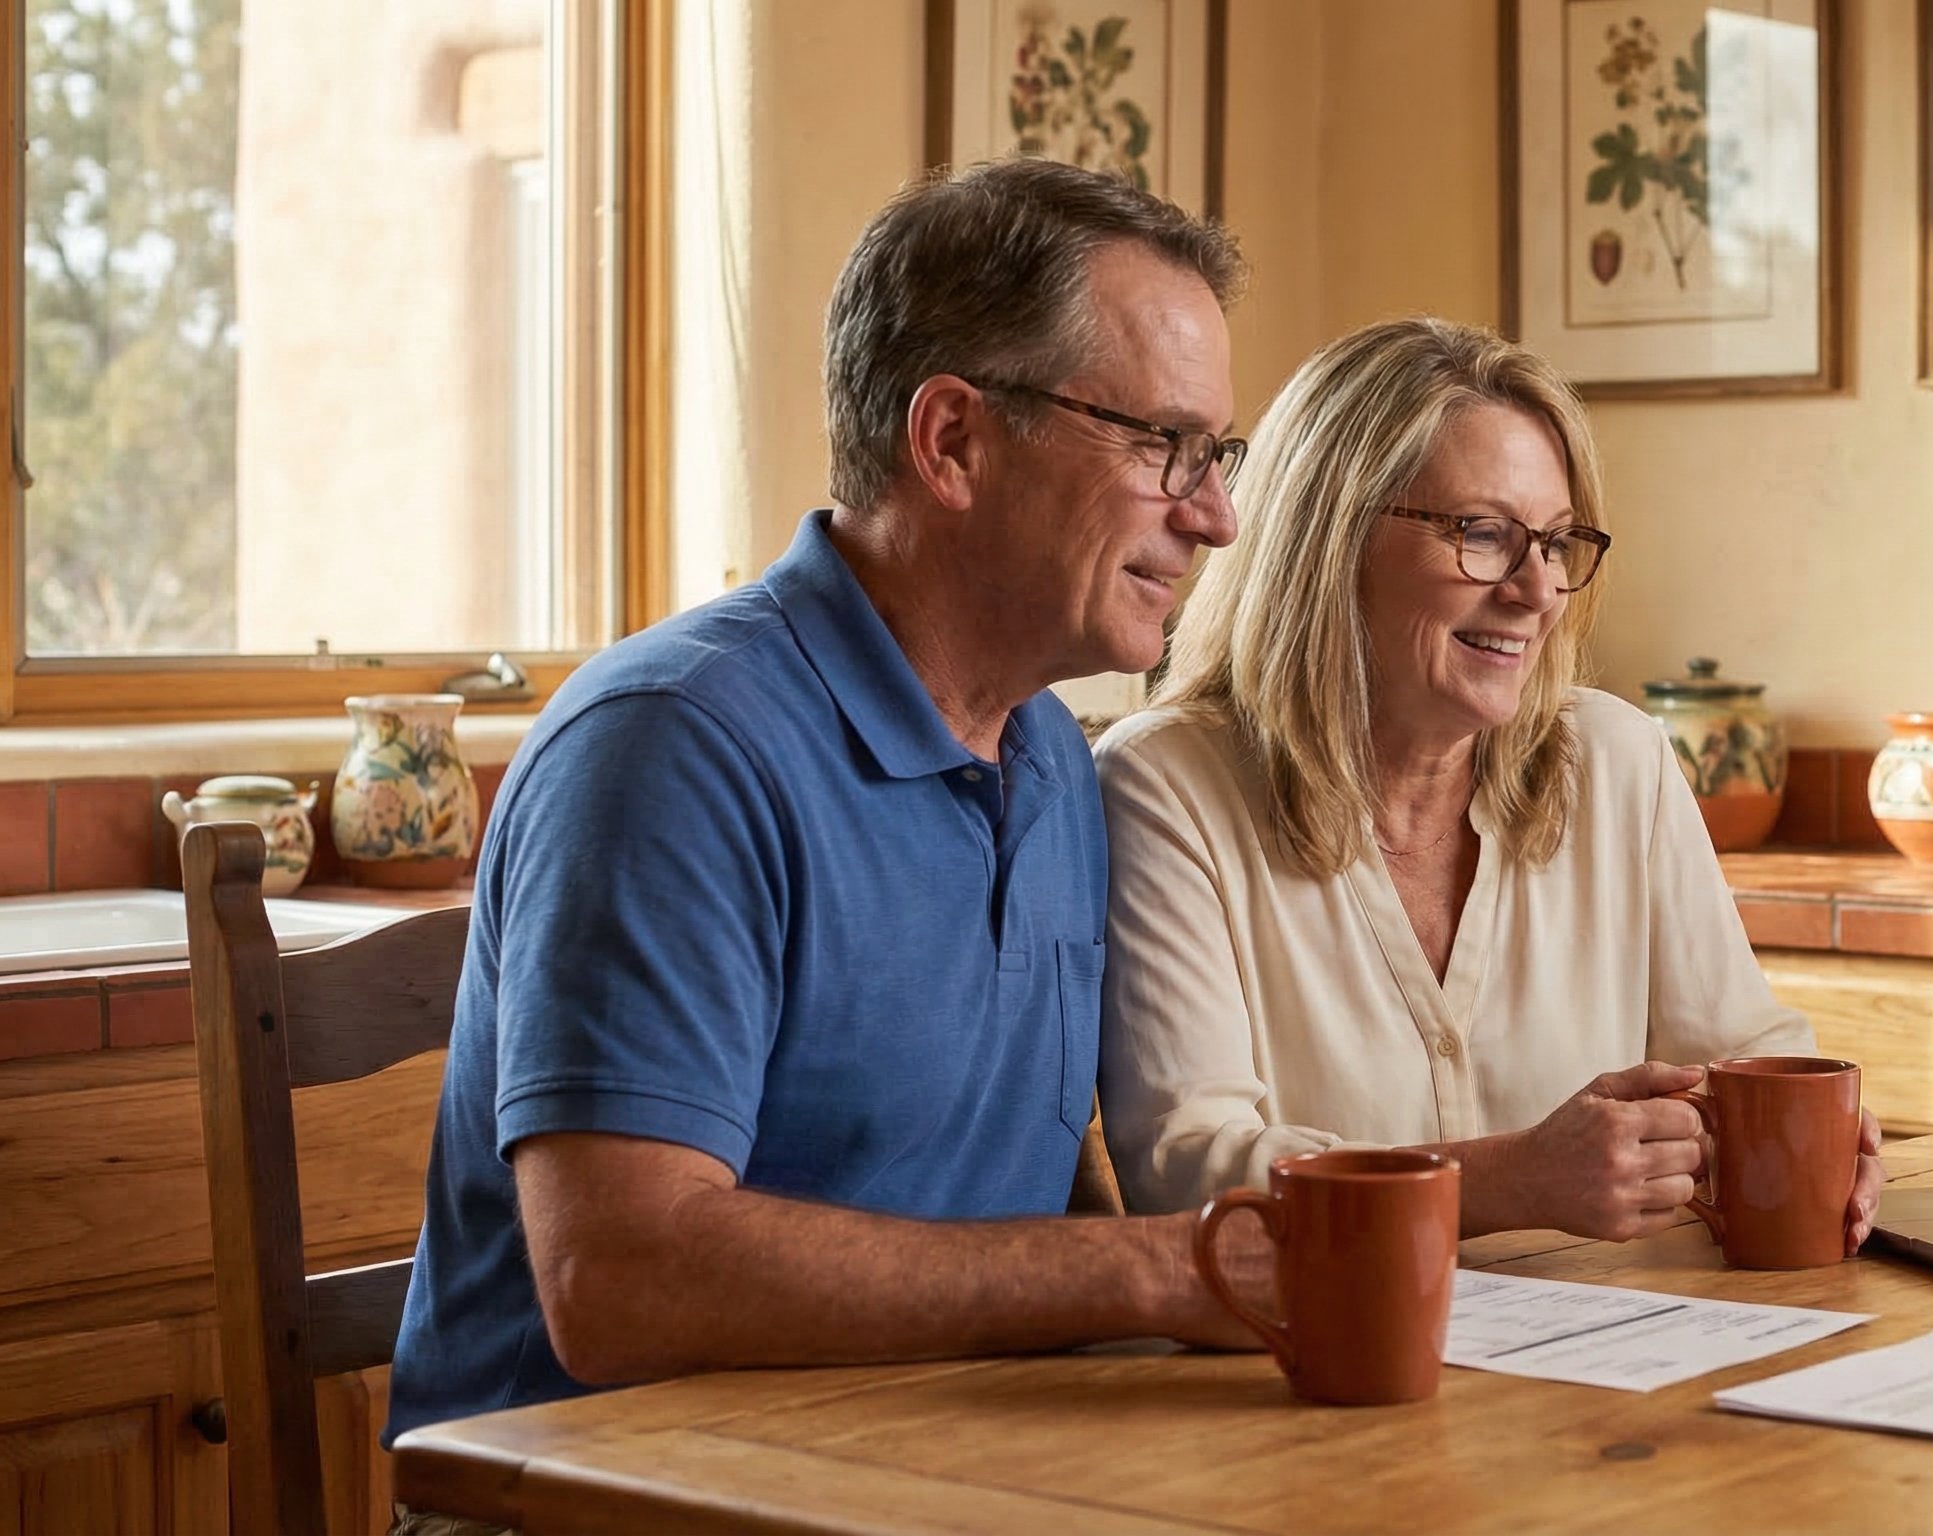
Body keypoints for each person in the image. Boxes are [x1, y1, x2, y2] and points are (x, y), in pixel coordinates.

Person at [384, 159, 1272, 1474]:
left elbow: (1025, 1190)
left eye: (1218, 454)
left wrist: (1177, 1280)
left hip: (931, 1470)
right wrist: (1150, 1272)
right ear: (954, 440)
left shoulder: (1057, 761)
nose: (1215, 516)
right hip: (596, 1501)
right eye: (1164, 446)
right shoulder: (672, 745)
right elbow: (619, 1279)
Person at [1094, 318, 1883, 1245]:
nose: (1537, 589)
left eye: (1555, 542)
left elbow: (1742, 1058)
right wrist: (1507, 1181)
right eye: (1482, 534)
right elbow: (1186, 1171)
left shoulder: (1618, 760)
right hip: (1319, 1371)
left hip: (1616, 1355)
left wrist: (1825, 1136)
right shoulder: (1164, 785)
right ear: (1327, 540)